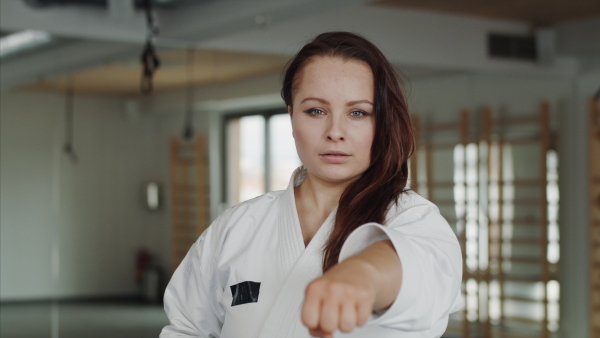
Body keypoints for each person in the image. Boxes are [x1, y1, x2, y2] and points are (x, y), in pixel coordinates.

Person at [160, 31, 462, 338]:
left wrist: (364, 273)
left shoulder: (414, 220)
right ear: (291, 116)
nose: (335, 132)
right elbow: (186, 328)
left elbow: (425, 275)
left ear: (382, 122)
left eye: (358, 113)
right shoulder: (236, 228)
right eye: (316, 111)